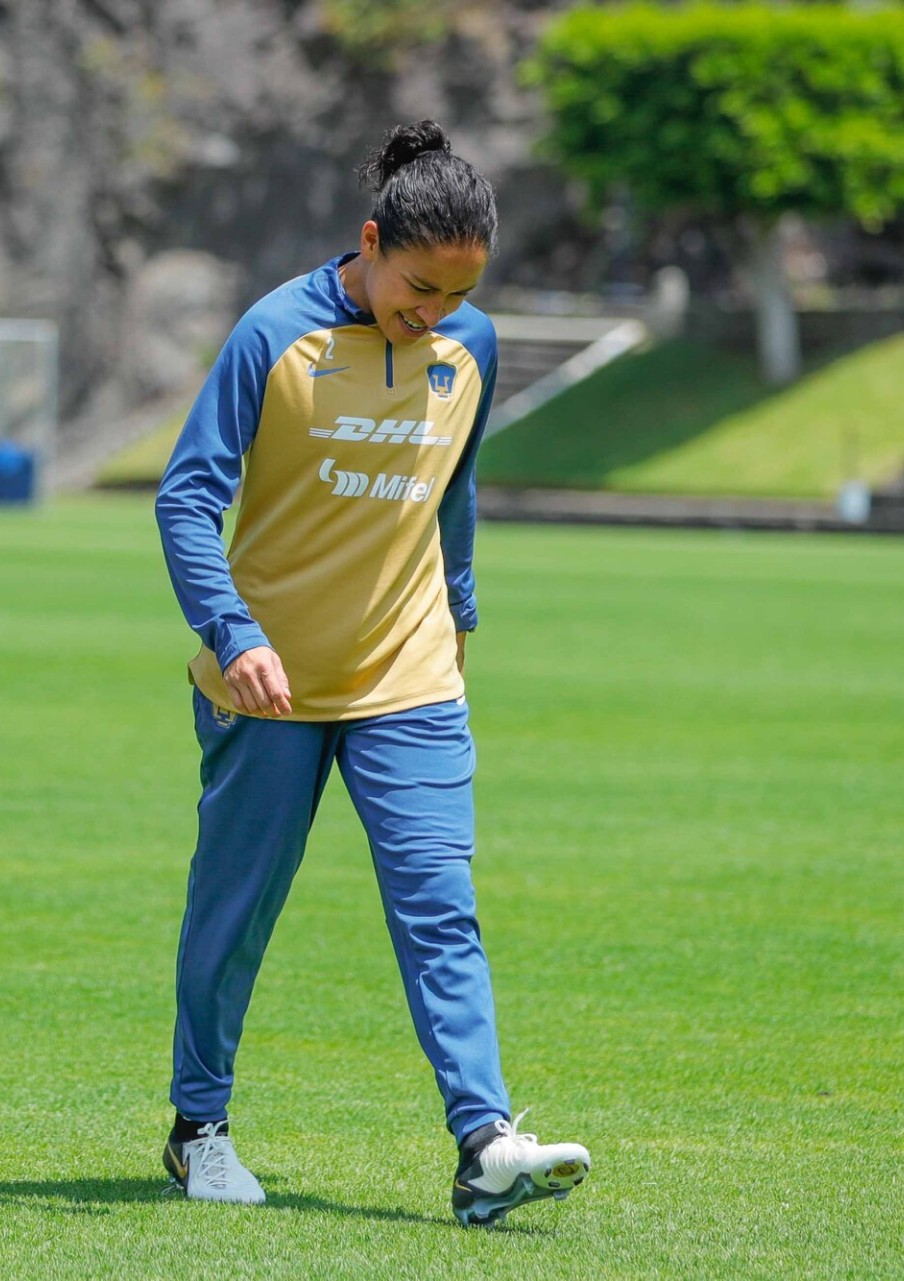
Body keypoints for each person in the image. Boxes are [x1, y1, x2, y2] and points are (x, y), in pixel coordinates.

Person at [152, 121, 590, 1226]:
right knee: (234, 915)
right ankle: (198, 1130)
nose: (434, 312)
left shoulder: (471, 345)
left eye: (458, 293)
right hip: (269, 683)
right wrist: (234, 632)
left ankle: (485, 1143)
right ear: (370, 242)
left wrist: (462, 612)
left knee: (441, 908)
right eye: (419, 287)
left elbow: (454, 487)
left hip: (413, 673)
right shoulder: (273, 336)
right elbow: (187, 497)